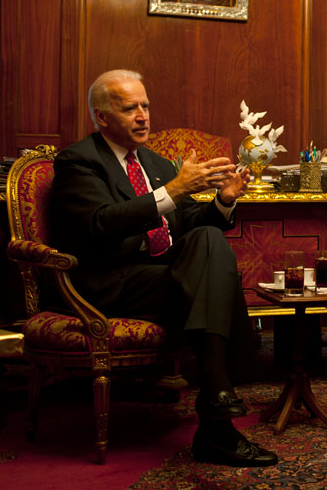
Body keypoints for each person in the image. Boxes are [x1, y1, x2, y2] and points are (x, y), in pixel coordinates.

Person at [48, 69, 277, 467]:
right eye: (130, 108)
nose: (143, 116)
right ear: (102, 117)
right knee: (212, 284)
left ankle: (215, 408)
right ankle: (219, 409)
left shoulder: (153, 162)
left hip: (164, 277)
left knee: (208, 240)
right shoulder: (79, 161)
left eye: (146, 106)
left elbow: (187, 221)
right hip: (112, 282)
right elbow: (100, 223)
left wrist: (223, 201)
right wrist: (173, 190)